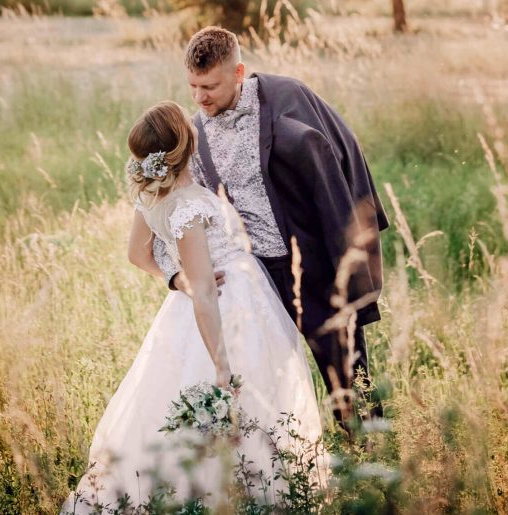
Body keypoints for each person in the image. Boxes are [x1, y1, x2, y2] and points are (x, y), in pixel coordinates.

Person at [60, 101, 325, 514]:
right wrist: (221, 366)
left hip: (200, 308)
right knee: (245, 404)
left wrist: (174, 278)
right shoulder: (188, 205)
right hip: (227, 310)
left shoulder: (151, 195)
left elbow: (137, 254)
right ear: (187, 141)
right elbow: (204, 292)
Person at [151, 27, 389, 425]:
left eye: (210, 86)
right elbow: (171, 211)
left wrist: (353, 251)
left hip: (311, 266)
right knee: (265, 390)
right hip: (253, 282)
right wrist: (176, 276)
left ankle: (370, 451)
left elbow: (343, 155)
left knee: (349, 376)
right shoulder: (193, 135)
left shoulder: (288, 97)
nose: (200, 98)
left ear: (238, 72)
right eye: (193, 86)